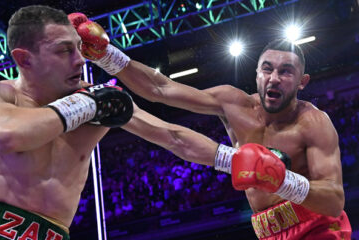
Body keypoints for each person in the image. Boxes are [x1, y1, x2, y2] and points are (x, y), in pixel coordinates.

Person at [74, 13, 352, 239]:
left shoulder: (313, 123)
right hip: (268, 232)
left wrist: (283, 180)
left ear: (302, 82)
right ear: (256, 73)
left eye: (286, 71)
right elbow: (160, 88)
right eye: (267, 68)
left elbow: (334, 201)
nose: (274, 78)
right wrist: (106, 56)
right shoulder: (233, 103)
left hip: (320, 229)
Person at [0, 5, 228, 240]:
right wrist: (86, 105)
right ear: (24, 59)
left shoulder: (96, 99)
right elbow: (8, 133)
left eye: (78, 47)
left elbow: (172, 136)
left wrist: (234, 160)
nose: (79, 60)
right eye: (64, 51)